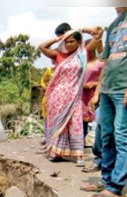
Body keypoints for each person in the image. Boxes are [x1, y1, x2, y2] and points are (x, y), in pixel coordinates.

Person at [83, 7, 127, 197]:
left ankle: (115, 188)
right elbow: (106, 61)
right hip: (108, 89)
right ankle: (107, 179)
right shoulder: (114, 24)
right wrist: (97, 92)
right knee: (106, 135)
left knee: (122, 136)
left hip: (124, 90)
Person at [40, 29, 104, 167]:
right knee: (57, 123)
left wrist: (83, 30)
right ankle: (55, 152)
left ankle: (78, 155)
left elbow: (98, 36)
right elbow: (42, 47)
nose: (68, 44)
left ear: (78, 42)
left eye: (71, 41)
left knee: (75, 123)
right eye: (66, 42)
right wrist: (59, 38)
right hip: (57, 95)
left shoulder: (82, 54)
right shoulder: (59, 55)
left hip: (74, 95)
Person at [82, 39, 105, 139]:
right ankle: (79, 141)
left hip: (92, 94)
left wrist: (94, 84)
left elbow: (104, 79)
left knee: (90, 118)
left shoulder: (100, 63)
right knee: (78, 119)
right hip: (80, 94)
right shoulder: (81, 62)